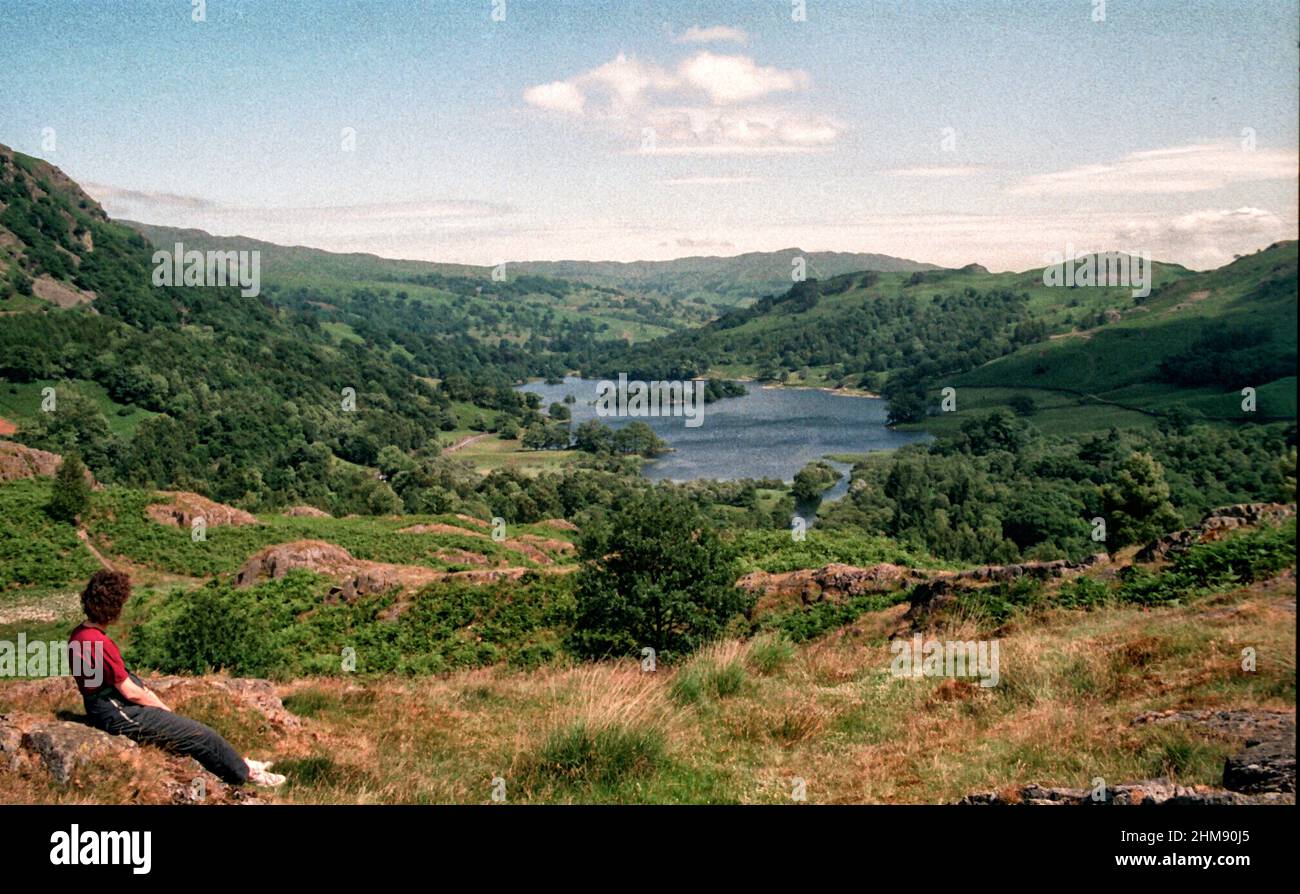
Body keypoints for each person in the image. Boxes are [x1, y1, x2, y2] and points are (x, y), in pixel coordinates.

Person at [68, 569, 285, 787]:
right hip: (116, 711)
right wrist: (161, 708)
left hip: (103, 706)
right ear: (113, 607)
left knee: (193, 730)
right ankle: (244, 775)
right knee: (200, 735)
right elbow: (130, 692)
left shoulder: (79, 634)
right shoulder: (100, 643)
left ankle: (241, 763)